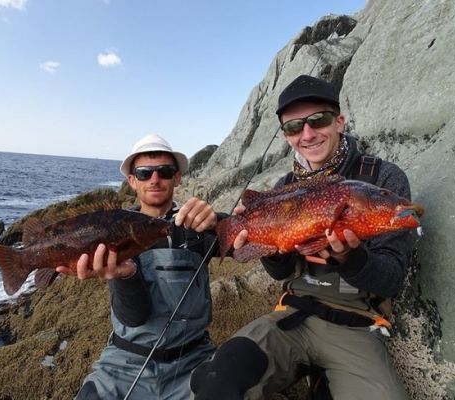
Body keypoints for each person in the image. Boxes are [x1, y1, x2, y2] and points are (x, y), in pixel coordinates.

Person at [190, 75, 415, 400]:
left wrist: (350, 257)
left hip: (357, 325)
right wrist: (269, 247)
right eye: (294, 127)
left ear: (339, 121)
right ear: (286, 135)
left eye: (318, 120)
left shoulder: (383, 180)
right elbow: (281, 273)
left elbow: (392, 279)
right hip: (291, 316)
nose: (307, 134)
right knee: (216, 379)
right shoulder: (283, 186)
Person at [56, 134, 222, 399]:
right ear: (132, 181)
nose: (155, 179)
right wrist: (126, 276)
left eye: (164, 172)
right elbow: (134, 317)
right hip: (123, 363)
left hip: (195, 361)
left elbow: (258, 246)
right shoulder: (115, 232)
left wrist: (216, 222)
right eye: (144, 173)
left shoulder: (199, 226)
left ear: (177, 178)